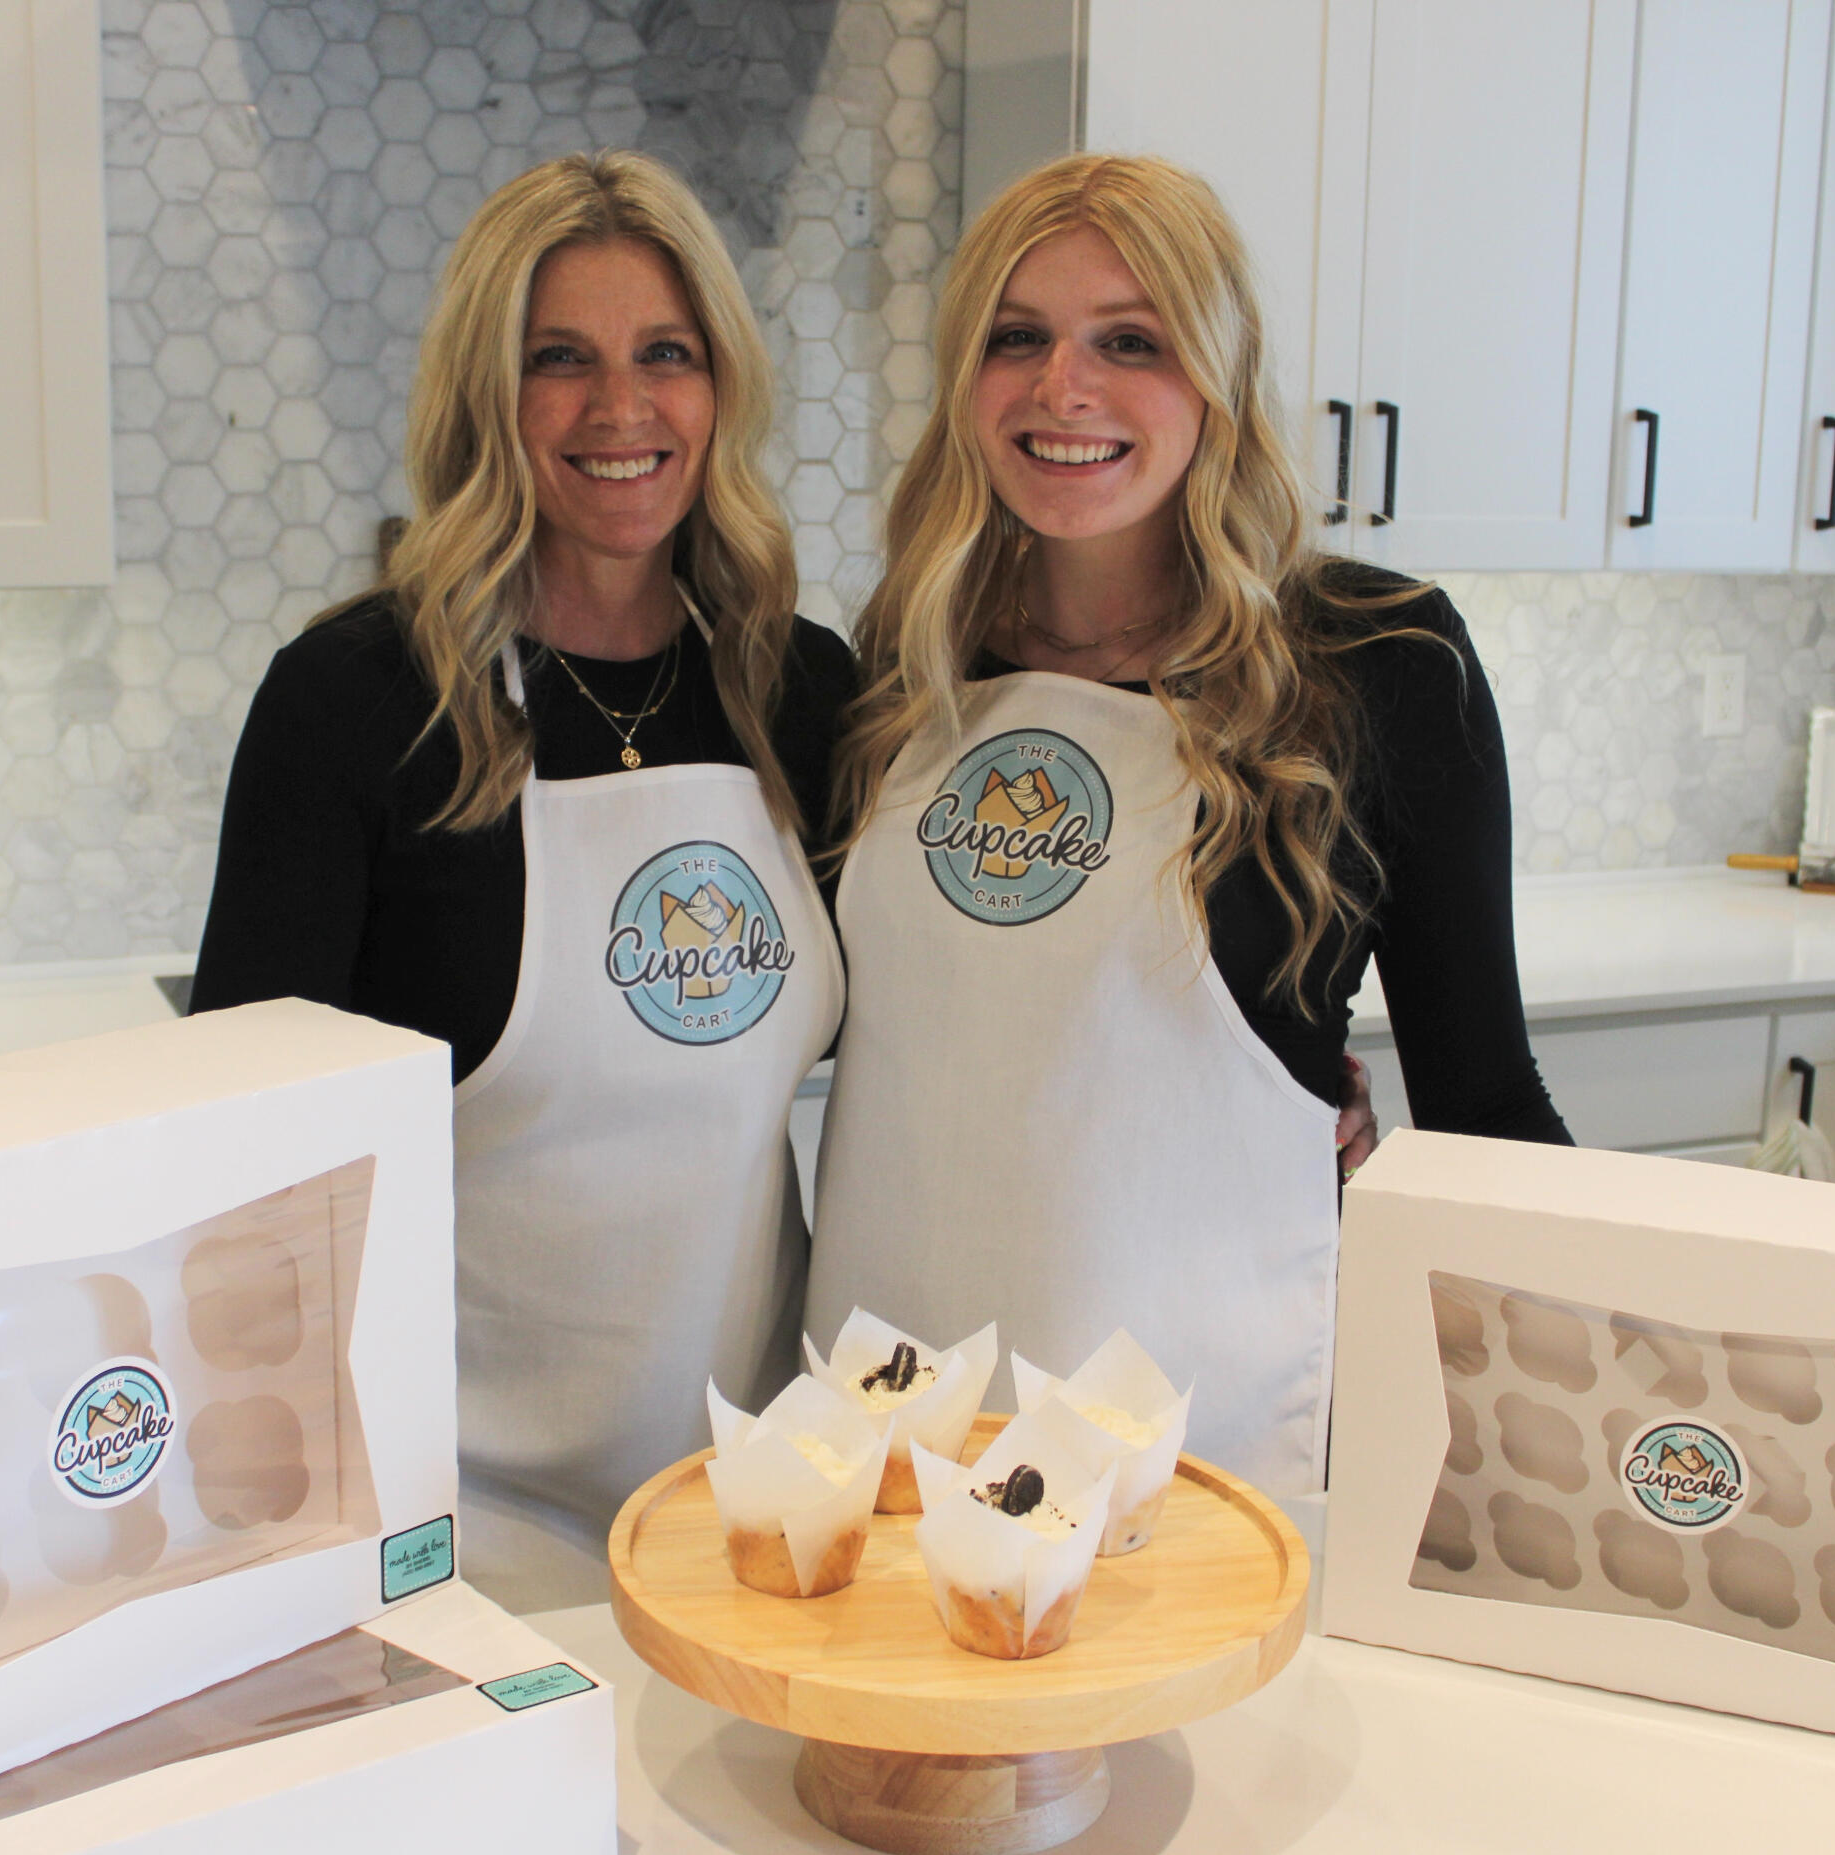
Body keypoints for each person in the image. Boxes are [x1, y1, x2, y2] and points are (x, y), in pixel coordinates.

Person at [803, 154, 1569, 1499]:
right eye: (1016, 337)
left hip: (1201, 1446)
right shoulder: (895, 670)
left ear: (1216, 373)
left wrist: (1635, 1354)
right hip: (898, 1432)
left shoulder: (1376, 665)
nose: (1063, 389)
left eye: (1130, 341)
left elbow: (1486, 1105)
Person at [190, 151, 853, 1538]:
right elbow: (236, 1173)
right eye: (561, 359)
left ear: (720, 382)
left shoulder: (802, 691)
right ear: (488, 395)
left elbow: (940, 1022)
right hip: (448, 1520)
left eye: (664, 353)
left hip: (751, 1506)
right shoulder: (359, 704)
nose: (621, 407)